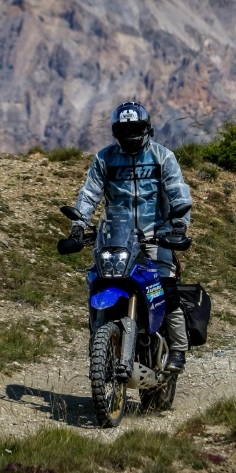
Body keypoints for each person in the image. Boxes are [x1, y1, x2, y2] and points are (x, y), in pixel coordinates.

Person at [69, 102, 192, 372]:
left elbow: (178, 193)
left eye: (134, 129)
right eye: (124, 130)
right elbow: (90, 194)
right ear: (115, 131)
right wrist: (79, 225)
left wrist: (179, 226)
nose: (130, 135)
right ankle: (102, 345)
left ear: (146, 128)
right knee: (100, 283)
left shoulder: (163, 156)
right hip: (116, 237)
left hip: (155, 237)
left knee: (167, 289)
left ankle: (179, 351)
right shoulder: (104, 159)